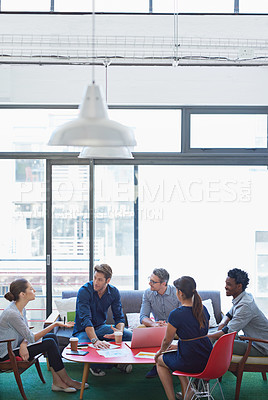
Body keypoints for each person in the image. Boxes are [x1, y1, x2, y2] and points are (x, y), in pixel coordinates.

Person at [0, 278, 87, 393]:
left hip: (16, 347)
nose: (34, 290)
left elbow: (26, 335)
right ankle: (67, 380)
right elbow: (31, 337)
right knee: (49, 342)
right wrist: (54, 324)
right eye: (31, 289)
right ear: (22, 294)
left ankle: (57, 382)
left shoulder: (20, 309)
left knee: (51, 337)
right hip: (6, 353)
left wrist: (23, 344)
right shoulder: (12, 314)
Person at [155, 276, 213, 400]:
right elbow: (202, 334)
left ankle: (172, 398)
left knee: (160, 361)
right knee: (178, 355)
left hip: (190, 361)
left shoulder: (176, 314)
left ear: (180, 293)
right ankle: (188, 391)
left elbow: (167, 340)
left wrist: (160, 352)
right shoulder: (203, 309)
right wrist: (179, 345)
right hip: (208, 360)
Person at [73, 263, 132, 377]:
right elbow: (86, 319)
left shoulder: (114, 292)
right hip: (83, 330)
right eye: (95, 278)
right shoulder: (84, 291)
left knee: (129, 335)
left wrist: (117, 333)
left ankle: (100, 363)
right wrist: (95, 340)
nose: (96, 282)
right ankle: (113, 364)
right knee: (85, 345)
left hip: (100, 327)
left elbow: (119, 317)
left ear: (108, 280)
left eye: (100, 280)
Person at [208, 268, 268, 356]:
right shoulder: (243, 297)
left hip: (261, 346)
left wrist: (205, 337)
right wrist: (222, 323)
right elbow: (229, 314)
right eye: (225, 283)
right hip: (250, 340)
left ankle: (209, 368)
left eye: (229, 284)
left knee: (218, 343)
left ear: (239, 286)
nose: (225, 286)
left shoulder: (245, 305)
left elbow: (227, 331)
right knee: (216, 338)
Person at [140, 268, 180, 378]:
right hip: (158, 328)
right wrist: (154, 324)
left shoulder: (177, 293)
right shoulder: (148, 293)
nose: (149, 283)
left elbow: (184, 316)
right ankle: (158, 363)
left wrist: (170, 325)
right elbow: (143, 316)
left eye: (153, 281)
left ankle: (169, 363)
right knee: (141, 329)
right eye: (150, 279)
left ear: (164, 283)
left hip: (176, 328)